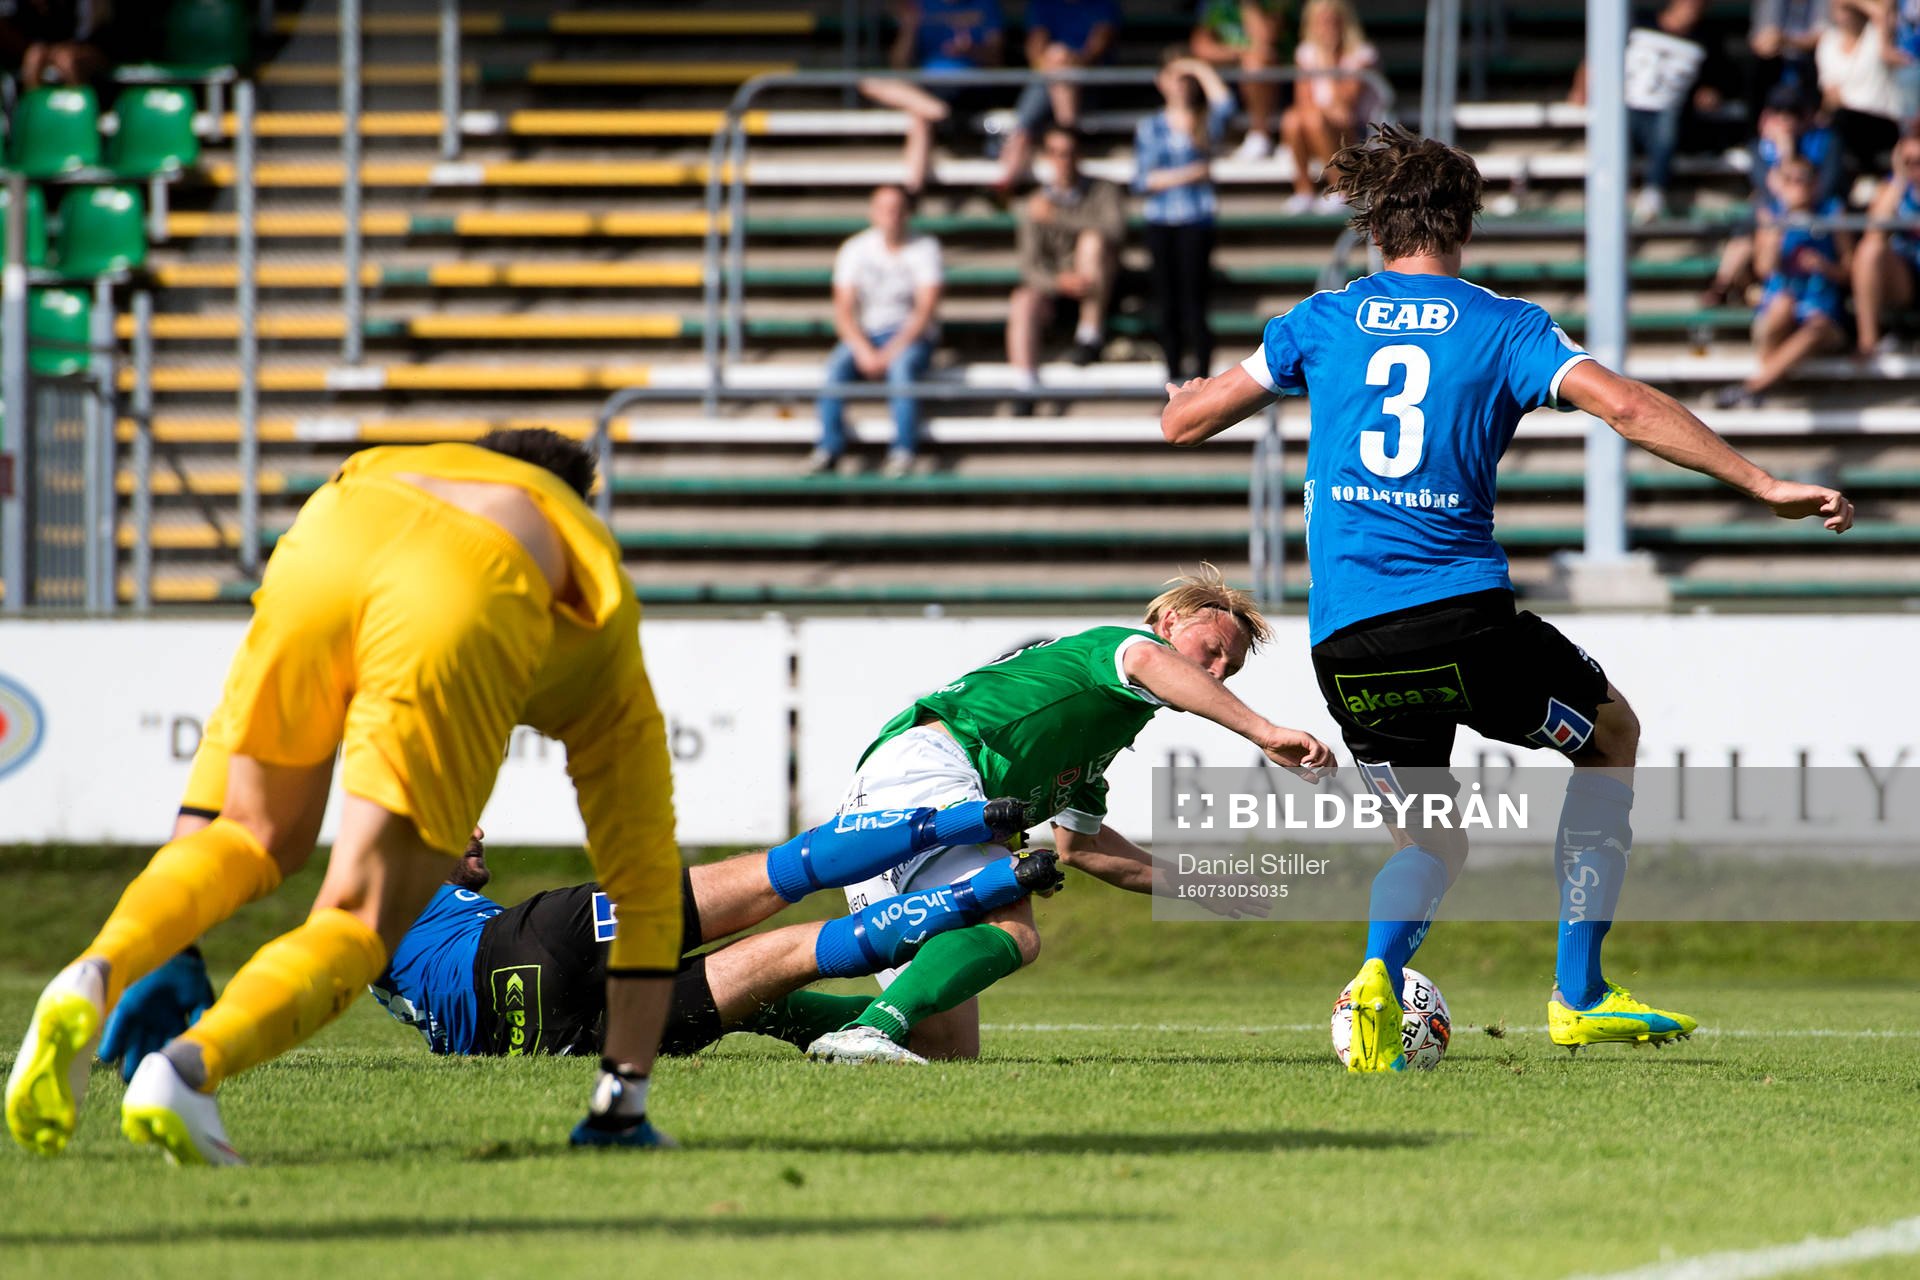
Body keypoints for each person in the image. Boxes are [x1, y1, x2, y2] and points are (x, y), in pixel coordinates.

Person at [1159, 124, 1854, 1072]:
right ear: (1465, 224)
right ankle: (1578, 993)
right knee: (1612, 738)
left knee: (1431, 842)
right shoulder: (1507, 326)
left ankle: (1376, 974)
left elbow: (1184, 421)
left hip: (1348, 641)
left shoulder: (1319, 321)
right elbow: (1628, 407)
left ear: (1376, 226)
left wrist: (1185, 393)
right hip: (1461, 619)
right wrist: (1761, 482)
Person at [6, 429, 691, 1163]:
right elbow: (646, 889)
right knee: (361, 916)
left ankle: (95, 970)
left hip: (327, 531)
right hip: (463, 590)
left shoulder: (408, 467)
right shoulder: (585, 569)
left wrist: (166, 948)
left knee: (251, 833)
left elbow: (214, 809)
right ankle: (185, 1070)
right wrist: (623, 1099)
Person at [804, 567, 1337, 1064]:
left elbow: (1081, 847)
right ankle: (867, 1030)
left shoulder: (1098, 734)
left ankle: (750, 1011)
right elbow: (1152, 661)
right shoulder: (1120, 648)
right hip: (933, 772)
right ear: (1170, 622)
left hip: (892, 790)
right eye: (1214, 651)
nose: (1219, 672)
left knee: (944, 1044)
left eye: (1232, 669)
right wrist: (1264, 732)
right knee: (1013, 930)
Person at [99, 813, 1064, 1076]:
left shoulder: (364, 940)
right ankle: (978, 838)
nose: (473, 836)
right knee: (787, 875)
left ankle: (999, 882)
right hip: (540, 942)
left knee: (804, 951)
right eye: (456, 827)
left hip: (533, 1034)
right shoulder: (382, 869)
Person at [811, 185, 944, 478]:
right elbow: (843, 311)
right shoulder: (855, 249)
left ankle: (903, 449)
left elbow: (925, 311)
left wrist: (889, 353)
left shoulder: (925, 249)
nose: (891, 216)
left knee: (902, 370)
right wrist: (864, 350)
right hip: (867, 334)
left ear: (908, 213)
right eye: (884, 209)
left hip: (910, 336)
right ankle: (828, 447)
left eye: (897, 209)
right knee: (834, 370)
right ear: (873, 212)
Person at [1715, 156, 1853, 407]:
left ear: (1815, 183)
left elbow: (1849, 270)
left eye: (1802, 179)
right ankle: (1765, 381)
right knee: (1781, 306)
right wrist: (1778, 228)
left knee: (1817, 328)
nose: (1796, 186)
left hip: (1821, 310)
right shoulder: (1771, 216)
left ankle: (1754, 385)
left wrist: (1825, 266)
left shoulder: (1831, 211)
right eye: (1789, 180)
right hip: (1780, 310)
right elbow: (1764, 269)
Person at [1135, 52, 1235, 383]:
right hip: (1162, 220)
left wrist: (1197, 66)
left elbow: (1226, 103)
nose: (1180, 86)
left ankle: (1201, 378)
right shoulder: (1150, 126)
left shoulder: (1204, 121)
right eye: (1173, 78)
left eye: (1185, 80)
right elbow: (1143, 180)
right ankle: (1173, 376)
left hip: (1195, 219)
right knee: (1167, 303)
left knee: (1195, 302)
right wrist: (1192, 173)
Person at [1701, 84, 1843, 307]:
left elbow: (1825, 188)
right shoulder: (1760, 146)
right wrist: (1783, 151)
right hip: (1774, 221)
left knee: (1765, 217)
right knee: (1758, 220)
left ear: (1806, 115)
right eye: (1780, 111)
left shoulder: (1825, 141)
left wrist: (1790, 154)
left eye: (1793, 112)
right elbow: (1768, 190)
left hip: (1814, 218)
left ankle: (1739, 288)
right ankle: (1725, 285)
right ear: (1768, 115)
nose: (1787, 119)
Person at [1008, 124, 1125, 394]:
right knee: (1022, 300)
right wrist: (1058, 282)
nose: (1063, 160)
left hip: (1102, 285)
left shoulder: (1103, 191)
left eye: (1068, 152)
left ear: (1079, 155)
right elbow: (1028, 266)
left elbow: (1115, 230)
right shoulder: (1033, 204)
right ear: (1046, 157)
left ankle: (1089, 335)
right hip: (1056, 290)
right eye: (1056, 153)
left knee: (1092, 241)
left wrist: (1058, 218)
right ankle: (1024, 385)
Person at [858, 1, 1006, 199]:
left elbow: (996, 60)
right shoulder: (922, 6)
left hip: (969, 85)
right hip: (928, 87)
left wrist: (972, 50)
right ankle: (945, 115)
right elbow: (899, 64)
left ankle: (912, 193)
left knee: (919, 118)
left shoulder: (985, 5)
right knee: (870, 82)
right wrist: (909, 27)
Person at [990, 0, 1121, 199]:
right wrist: (1055, 63)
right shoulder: (1043, 5)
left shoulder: (1103, 5)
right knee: (1057, 69)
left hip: (1088, 88)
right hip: (1048, 83)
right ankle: (1067, 138)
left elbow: (1095, 51)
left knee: (1060, 71)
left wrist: (1065, 61)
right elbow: (1035, 52)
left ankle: (1008, 177)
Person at [1622, 0, 1721, 223]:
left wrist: (1708, 93)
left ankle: (1653, 193)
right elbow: (1601, 54)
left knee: (1666, 130)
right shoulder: (1638, 22)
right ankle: (1617, 190)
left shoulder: (1706, 40)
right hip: (1628, 103)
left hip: (1669, 110)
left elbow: (1716, 80)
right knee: (1618, 130)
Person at [1278, 0, 1378, 213]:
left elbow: (1346, 104)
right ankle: (1303, 190)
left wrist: (1327, 60)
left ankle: (1340, 189)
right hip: (1320, 126)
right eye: (1321, 21)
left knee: (1313, 119)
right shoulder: (1305, 53)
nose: (1327, 27)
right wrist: (1327, 112)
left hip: (1356, 132)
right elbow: (1303, 101)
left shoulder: (1362, 54)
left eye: (1332, 20)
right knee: (1292, 119)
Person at [1189, 0, 1293, 160]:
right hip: (1232, 82)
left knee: (1256, 63)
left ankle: (1260, 135)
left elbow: (1264, 39)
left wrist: (1248, 4)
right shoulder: (1217, 5)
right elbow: (1200, 48)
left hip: (1280, 82)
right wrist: (1239, 53)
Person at [1852, 127, 1920, 354]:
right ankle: (1868, 341)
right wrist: (1900, 181)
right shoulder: (1894, 188)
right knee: (1870, 251)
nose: (1914, 168)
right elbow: (1874, 231)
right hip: (1906, 277)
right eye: (1908, 161)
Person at [1817, 0, 1902, 182]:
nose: (1844, 14)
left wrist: (1854, 2)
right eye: (1839, 9)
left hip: (1882, 120)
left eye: (1849, 8)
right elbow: (1829, 96)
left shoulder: (1874, 35)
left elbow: (1883, 12)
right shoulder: (1828, 41)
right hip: (1846, 122)